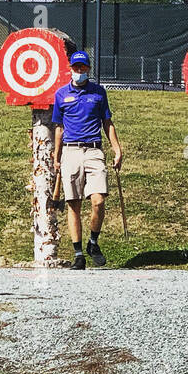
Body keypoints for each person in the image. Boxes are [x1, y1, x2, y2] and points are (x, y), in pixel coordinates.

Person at [51, 50, 122, 269]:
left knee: (98, 200)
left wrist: (117, 149)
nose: (79, 71)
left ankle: (93, 241)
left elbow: (107, 123)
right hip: (71, 152)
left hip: (94, 150)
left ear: (88, 69)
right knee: (74, 204)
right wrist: (56, 156)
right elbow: (59, 128)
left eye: (83, 67)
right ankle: (79, 254)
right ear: (70, 69)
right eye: (76, 67)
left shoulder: (99, 93)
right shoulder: (61, 95)